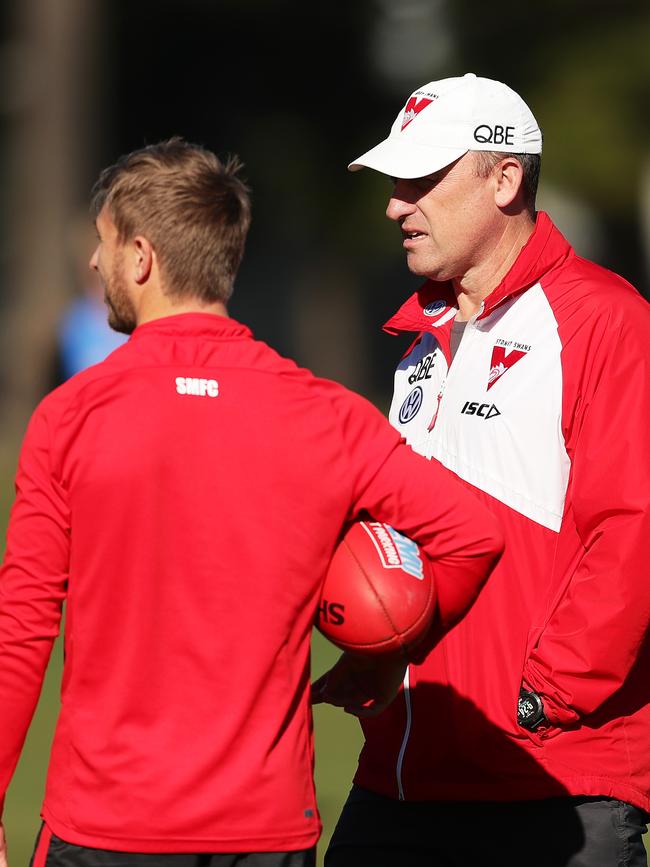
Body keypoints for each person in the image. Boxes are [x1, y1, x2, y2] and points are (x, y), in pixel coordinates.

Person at [0, 138, 504, 867]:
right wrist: (389, 652)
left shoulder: (70, 416)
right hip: (267, 828)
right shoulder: (327, 414)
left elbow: (21, 630)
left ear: (140, 258)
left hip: (104, 827)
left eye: (103, 245)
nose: (94, 264)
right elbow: (471, 533)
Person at [318, 73, 650, 867]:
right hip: (402, 774)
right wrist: (376, 652)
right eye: (397, 182)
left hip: (552, 785)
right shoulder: (418, 342)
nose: (398, 204)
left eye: (424, 178)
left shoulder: (607, 322)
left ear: (505, 178)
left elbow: (634, 530)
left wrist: (546, 695)